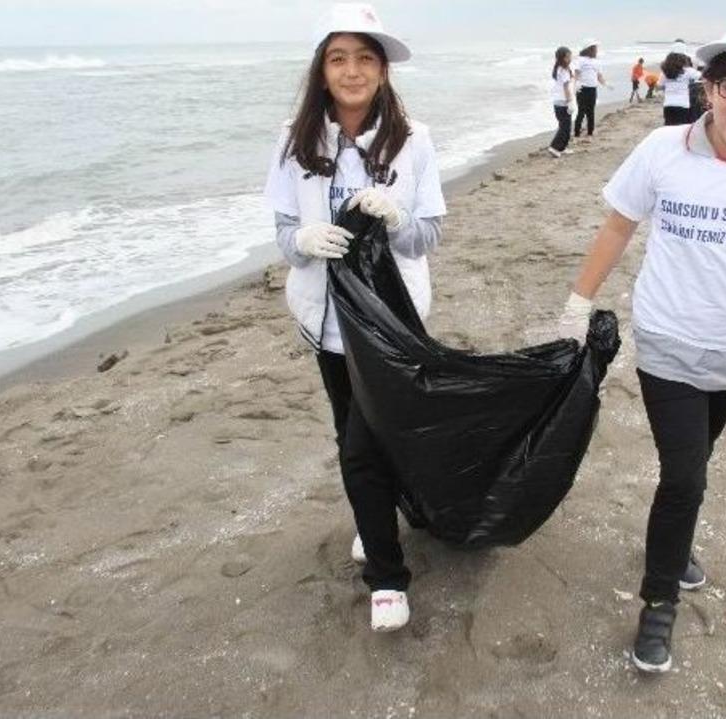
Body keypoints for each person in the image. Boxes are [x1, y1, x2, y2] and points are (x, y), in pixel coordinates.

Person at [556, 18, 726, 674]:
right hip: (667, 344)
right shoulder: (662, 149)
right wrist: (577, 301)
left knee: (696, 460)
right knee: (685, 475)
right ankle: (659, 602)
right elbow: (619, 224)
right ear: (707, 89)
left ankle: (676, 550)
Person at [263, 2, 447, 632]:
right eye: (338, 57)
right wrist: (306, 240)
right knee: (353, 432)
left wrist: (397, 221)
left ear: (383, 70)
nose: (352, 69)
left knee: (369, 443)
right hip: (326, 320)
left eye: (365, 57)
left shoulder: (413, 138)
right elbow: (284, 233)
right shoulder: (295, 138)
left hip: (392, 323)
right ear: (321, 70)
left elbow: (428, 236)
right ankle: (376, 521)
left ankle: (387, 577)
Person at [574, 39, 609, 139]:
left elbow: (599, 76)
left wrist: (606, 84)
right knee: (581, 111)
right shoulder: (580, 60)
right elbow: (576, 73)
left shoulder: (596, 62)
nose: (596, 51)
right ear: (589, 49)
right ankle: (576, 134)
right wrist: (575, 85)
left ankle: (590, 133)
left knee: (591, 112)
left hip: (592, 89)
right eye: (595, 49)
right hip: (582, 89)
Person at [660, 50, 702, 125]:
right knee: (681, 129)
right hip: (682, 104)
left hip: (668, 104)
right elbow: (701, 76)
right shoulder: (688, 71)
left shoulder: (665, 72)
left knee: (669, 127)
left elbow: (660, 86)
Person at [548, 46, 576, 157]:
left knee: (565, 126)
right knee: (565, 127)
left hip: (557, 101)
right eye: (568, 57)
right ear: (562, 58)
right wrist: (570, 102)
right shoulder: (563, 70)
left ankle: (562, 148)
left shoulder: (559, 68)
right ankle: (554, 147)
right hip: (562, 101)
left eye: (570, 56)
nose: (570, 59)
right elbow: (565, 88)